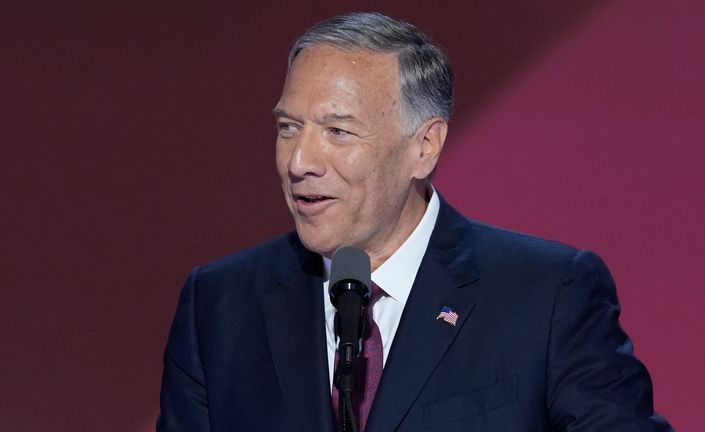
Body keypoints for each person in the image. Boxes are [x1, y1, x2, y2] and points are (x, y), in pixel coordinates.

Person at [157, 12, 673, 432]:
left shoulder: (547, 295)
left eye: (337, 131)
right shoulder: (220, 305)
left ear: (423, 147)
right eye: (289, 127)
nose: (299, 161)